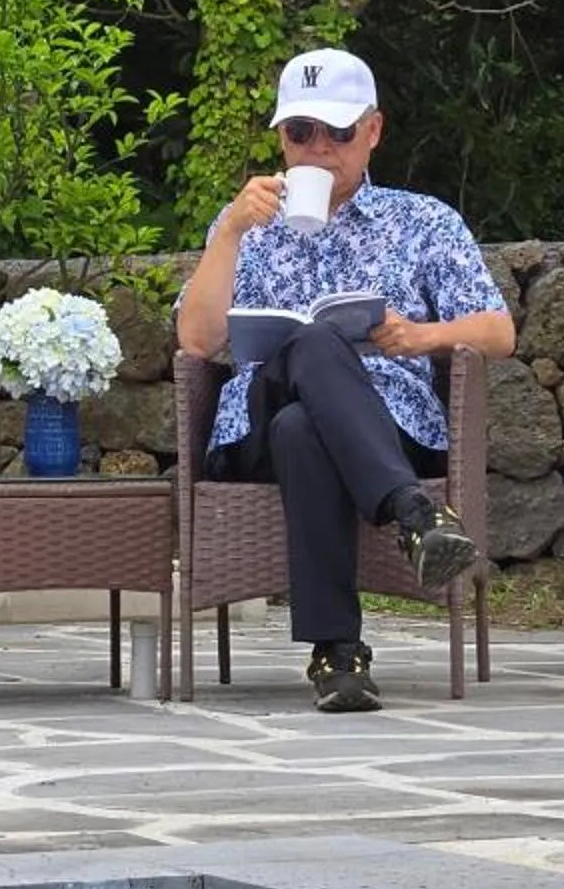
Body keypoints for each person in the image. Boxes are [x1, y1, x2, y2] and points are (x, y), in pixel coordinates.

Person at [175, 48, 516, 712]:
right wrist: (230, 236)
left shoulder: (423, 221)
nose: (318, 148)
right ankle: (414, 515)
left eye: (337, 131)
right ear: (281, 138)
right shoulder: (245, 222)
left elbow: (498, 331)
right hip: (253, 426)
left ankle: (338, 655)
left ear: (373, 132)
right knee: (309, 349)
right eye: (300, 132)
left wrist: (421, 336)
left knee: (307, 427)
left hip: (388, 424)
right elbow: (196, 341)